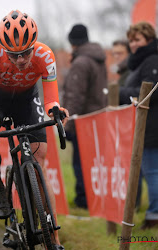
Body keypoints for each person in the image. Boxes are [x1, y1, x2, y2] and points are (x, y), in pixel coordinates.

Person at [0, 10, 68, 249]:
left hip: (26, 100)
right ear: (4, 49)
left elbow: (51, 99)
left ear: (35, 45)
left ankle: (53, 239)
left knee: (39, 161)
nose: (22, 59)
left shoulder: (45, 54)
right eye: (14, 55)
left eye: (26, 52)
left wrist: (55, 110)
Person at [62, 24, 108, 209]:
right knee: (94, 161)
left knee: (80, 162)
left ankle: (84, 200)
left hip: (83, 121)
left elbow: (75, 96)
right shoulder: (99, 59)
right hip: (98, 117)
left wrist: (67, 123)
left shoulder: (81, 62)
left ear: (73, 43)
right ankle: (97, 197)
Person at [119, 21, 158, 229]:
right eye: (131, 40)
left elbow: (148, 93)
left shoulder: (152, 60)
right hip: (145, 125)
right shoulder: (141, 61)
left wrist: (120, 93)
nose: (133, 44)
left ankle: (154, 216)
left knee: (152, 172)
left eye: (137, 40)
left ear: (149, 40)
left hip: (152, 126)